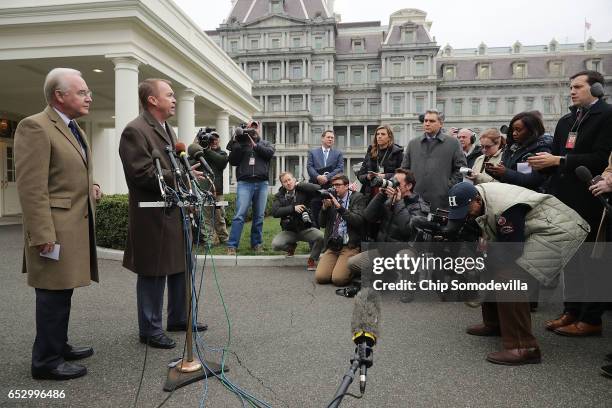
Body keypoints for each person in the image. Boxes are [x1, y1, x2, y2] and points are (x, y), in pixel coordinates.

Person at [15, 67, 100, 380]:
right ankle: (46, 362)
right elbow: (30, 186)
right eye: (81, 92)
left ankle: (58, 345)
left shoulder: (73, 127)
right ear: (59, 96)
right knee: (51, 296)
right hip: (53, 230)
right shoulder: (35, 127)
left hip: (72, 227)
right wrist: (41, 234)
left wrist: (91, 185)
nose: (88, 96)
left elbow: (67, 171)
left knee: (62, 293)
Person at [447, 182, 589, 365]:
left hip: (557, 230)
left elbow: (511, 250)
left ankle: (524, 347)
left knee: (509, 277)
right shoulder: (478, 195)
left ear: (476, 200)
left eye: (466, 209)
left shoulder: (505, 208)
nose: (466, 215)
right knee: (493, 265)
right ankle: (495, 323)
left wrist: (484, 253)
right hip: (537, 226)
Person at [119, 78, 207, 349]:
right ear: (152, 100)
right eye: (169, 95)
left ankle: (179, 318)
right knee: (154, 272)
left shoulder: (166, 128)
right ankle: (150, 329)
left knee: (182, 265)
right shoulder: (135, 130)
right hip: (152, 215)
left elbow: (170, 168)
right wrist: (179, 176)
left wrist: (185, 173)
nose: (174, 99)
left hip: (173, 212)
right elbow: (143, 174)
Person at [528, 70, 612, 336]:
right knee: (572, 259)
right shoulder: (567, 120)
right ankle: (571, 311)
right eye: (570, 87)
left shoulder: (608, 116)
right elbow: (557, 157)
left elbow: (601, 158)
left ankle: (591, 318)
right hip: (565, 200)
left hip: (592, 199)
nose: (572, 91)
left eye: (577, 86)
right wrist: (544, 163)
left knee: (593, 260)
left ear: (597, 89)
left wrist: (560, 162)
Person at [347, 169, 429, 278]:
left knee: (404, 258)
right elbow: (368, 216)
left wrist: (399, 203)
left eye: (397, 183)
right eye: (392, 181)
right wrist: (381, 195)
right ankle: (389, 274)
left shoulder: (418, 206)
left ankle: (409, 288)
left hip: (405, 251)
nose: (393, 185)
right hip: (383, 251)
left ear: (409, 186)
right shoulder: (388, 200)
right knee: (352, 263)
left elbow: (407, 230)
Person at [401, 109, 466, 212]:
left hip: (441, 201)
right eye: (425, 121)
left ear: (440, 123)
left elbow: (461, 169)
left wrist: (447, 186)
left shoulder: (453, 143)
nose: (427, 124)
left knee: (439, 227)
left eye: (431, 121)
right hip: (415, 201)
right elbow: (404, 170)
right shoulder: (413, 143)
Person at [226, 121, 275, 255]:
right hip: (245, 183)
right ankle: (232, 245)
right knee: (239, 215)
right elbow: (233, 161)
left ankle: (256, 244)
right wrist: (238, 140)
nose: (253, 129)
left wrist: (255, 144)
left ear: (259, 128)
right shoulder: (241, 144)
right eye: (250, 127)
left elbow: (269, 153)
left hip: (262, 183)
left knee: (259, 216)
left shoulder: (265, 143)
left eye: (255, 127)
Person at [315, 175, 366, 286]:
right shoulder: (331, 198)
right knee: (321, 277)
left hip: (349, 245)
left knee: (338, 279)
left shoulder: (357, 197)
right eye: (333, 185)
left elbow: (358, 221)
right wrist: (324, 208)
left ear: (347, 186)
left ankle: (355, 270)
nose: (335, 188)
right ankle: (339, 265)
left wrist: (339, 208)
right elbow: (322, 224)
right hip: (333, 245)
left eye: (338, 185)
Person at [485, 111, 551, 192]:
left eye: (518, 130)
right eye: (513, 130)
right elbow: (508, 177)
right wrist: (495, 172)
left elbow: (535, 180)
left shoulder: (542, 149)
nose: (514, 133)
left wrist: (505, 172)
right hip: (511, 195)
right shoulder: (510, 148)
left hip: (531, 198)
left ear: (531, 130)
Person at [271, 172, 324, 271]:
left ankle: (312, 259)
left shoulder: (303, 191)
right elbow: (275, 212)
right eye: (285, 181)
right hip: (289, 231)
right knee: (276, 245)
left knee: (320, 236)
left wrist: (299, 184)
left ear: (294, 180)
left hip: (305, 229)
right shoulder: (279, 195)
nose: (288, 183)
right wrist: (293, 208)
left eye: (289, 180)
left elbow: (317, 188)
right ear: (282, 184)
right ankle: (291, 247)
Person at [356, 125, 404, 201]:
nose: (379, 136)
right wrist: (368, 177)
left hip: (389, 192)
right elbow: (360, 175)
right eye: (377, 134)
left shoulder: (397, 152)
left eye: (383, 134)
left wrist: (384, 176)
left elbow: (402, 175)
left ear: (389, 137)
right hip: (370, 193)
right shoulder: (371, 151)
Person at [306, 130, 343, 227]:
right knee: (314, 214)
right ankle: (315, 240)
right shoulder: (312, 152)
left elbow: (340, 168)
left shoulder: (338, 153)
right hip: (315, 187)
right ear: (322, 138)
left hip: (331, 188)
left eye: (332, 138)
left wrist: (327, 177)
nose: (330, 139)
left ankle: (330, 238)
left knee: (331, 215)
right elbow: (309, 167)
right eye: (328, 137)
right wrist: (318, 176)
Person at [198, 132, 229, 245]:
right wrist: (198, 145)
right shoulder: (201, 153)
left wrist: (207, 150)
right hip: (204, 190)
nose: (214, 142)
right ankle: (210, 240)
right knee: (206, 217)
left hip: (218, 190)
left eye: (216, 139)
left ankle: (224, 238)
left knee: (219, 216)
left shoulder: (222, 153)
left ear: (219, 141)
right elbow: (190, 160)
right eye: (212, 140)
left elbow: (222, 162)